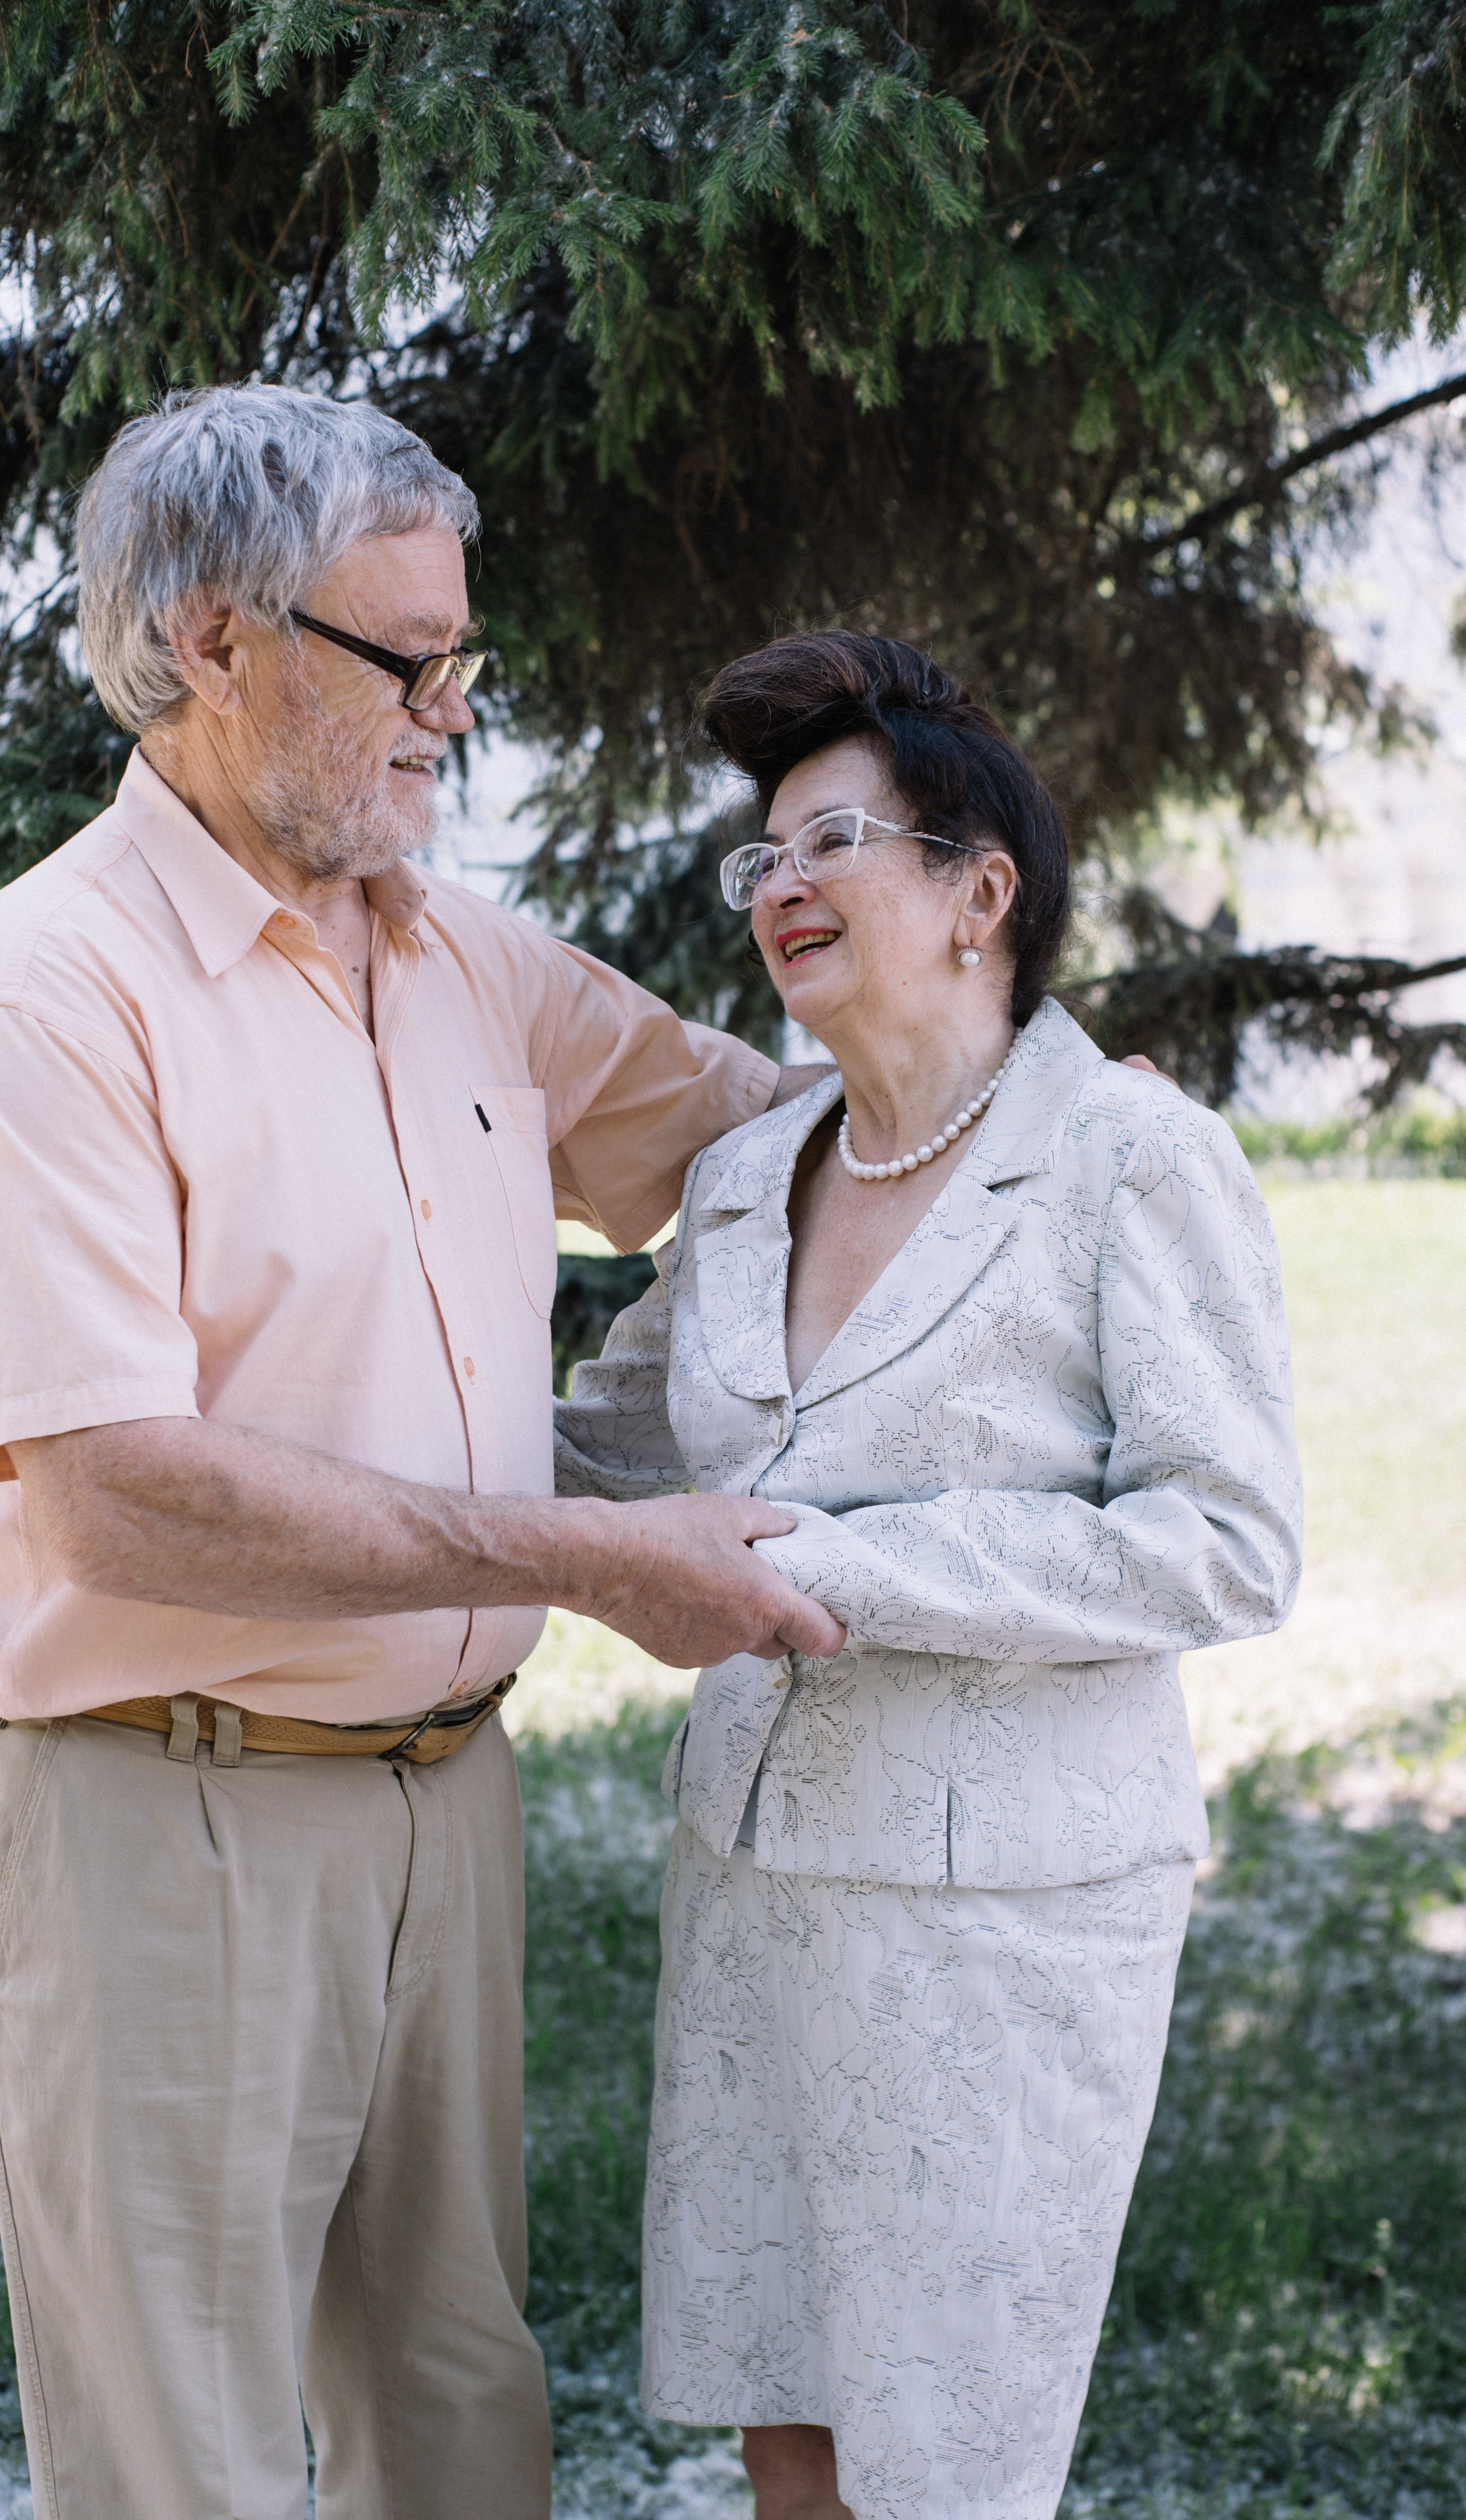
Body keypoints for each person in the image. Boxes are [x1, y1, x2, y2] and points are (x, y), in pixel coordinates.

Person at [0, 385, 844, 2520]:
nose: (456, 718)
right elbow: (116, 1484)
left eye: (466, 662)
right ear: (215, 640)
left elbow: (764, 1140)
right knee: (182, 2466)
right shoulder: (42, 1005)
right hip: (158, 1811)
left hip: (442, 1802)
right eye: (412, 663)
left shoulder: (462, 953)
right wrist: (593, 1557)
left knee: (461, 2417)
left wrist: (1048, 1107)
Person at [554, 631, 1303, 2520]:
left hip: (1005, 1931)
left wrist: (855, 1569)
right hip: (754, 1887)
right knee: (787, 2434)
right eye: (761, 861)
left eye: (831, 844)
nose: (779, 889)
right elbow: (588, 1460)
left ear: (984, 892)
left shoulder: (1134, 1154)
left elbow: (1229, 1539)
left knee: (947, 2466)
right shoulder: (746, 1178)